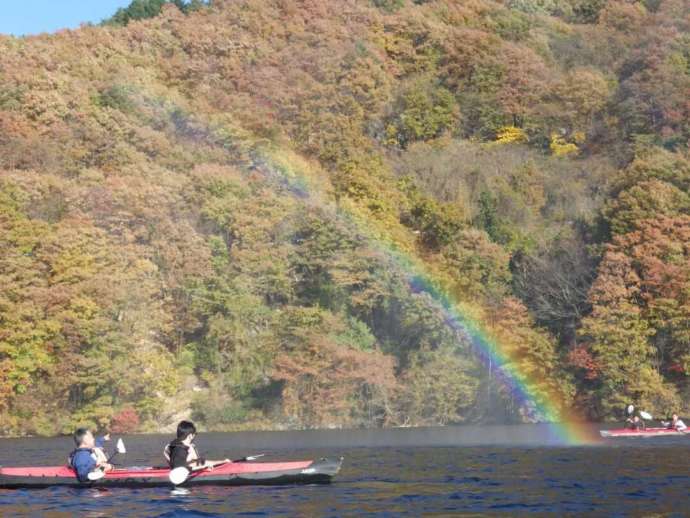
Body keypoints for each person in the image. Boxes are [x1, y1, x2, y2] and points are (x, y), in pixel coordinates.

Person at [164, 420, 229, 471]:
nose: (195, 436)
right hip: (183, 473)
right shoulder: (180, 450)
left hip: (189, 468)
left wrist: (223, 462)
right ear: (190, 436)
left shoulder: (172, 446)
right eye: (195, 434)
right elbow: (180, 469)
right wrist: (203, 468)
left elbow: (201, 462)